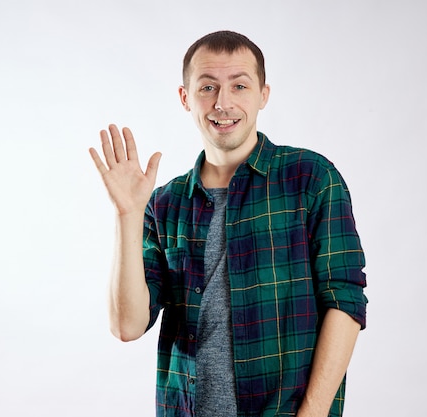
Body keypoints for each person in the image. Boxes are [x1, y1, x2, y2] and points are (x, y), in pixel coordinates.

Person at [89, 30, 367, 417]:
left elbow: (345, 300)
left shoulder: (310, 178)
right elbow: (127, 326)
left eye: (239, 85)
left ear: (262, 95)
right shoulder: (164, 204)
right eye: (207, 87)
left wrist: (314, 411)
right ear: (186, 98)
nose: (223, 103)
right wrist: (128, 214)